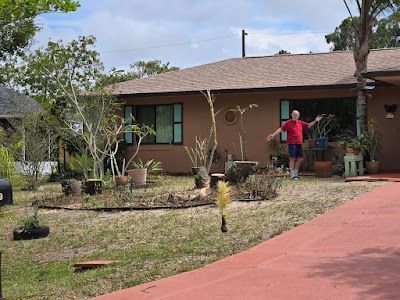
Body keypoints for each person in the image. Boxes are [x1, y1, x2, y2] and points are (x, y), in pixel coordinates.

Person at [267, 110, 323, 180]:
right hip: (292, 143)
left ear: (298, 116)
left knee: (300, 158)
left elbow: (308, 125)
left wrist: (315, 120)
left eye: (297, 115)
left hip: (299, 143)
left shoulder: (300, 122)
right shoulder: (288, 122)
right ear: (291, 115)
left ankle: (296, 174)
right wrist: (273, 134)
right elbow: (281, 129)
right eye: (294, 114)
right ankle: (292, 175)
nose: (295, 116)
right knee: (292, 158)